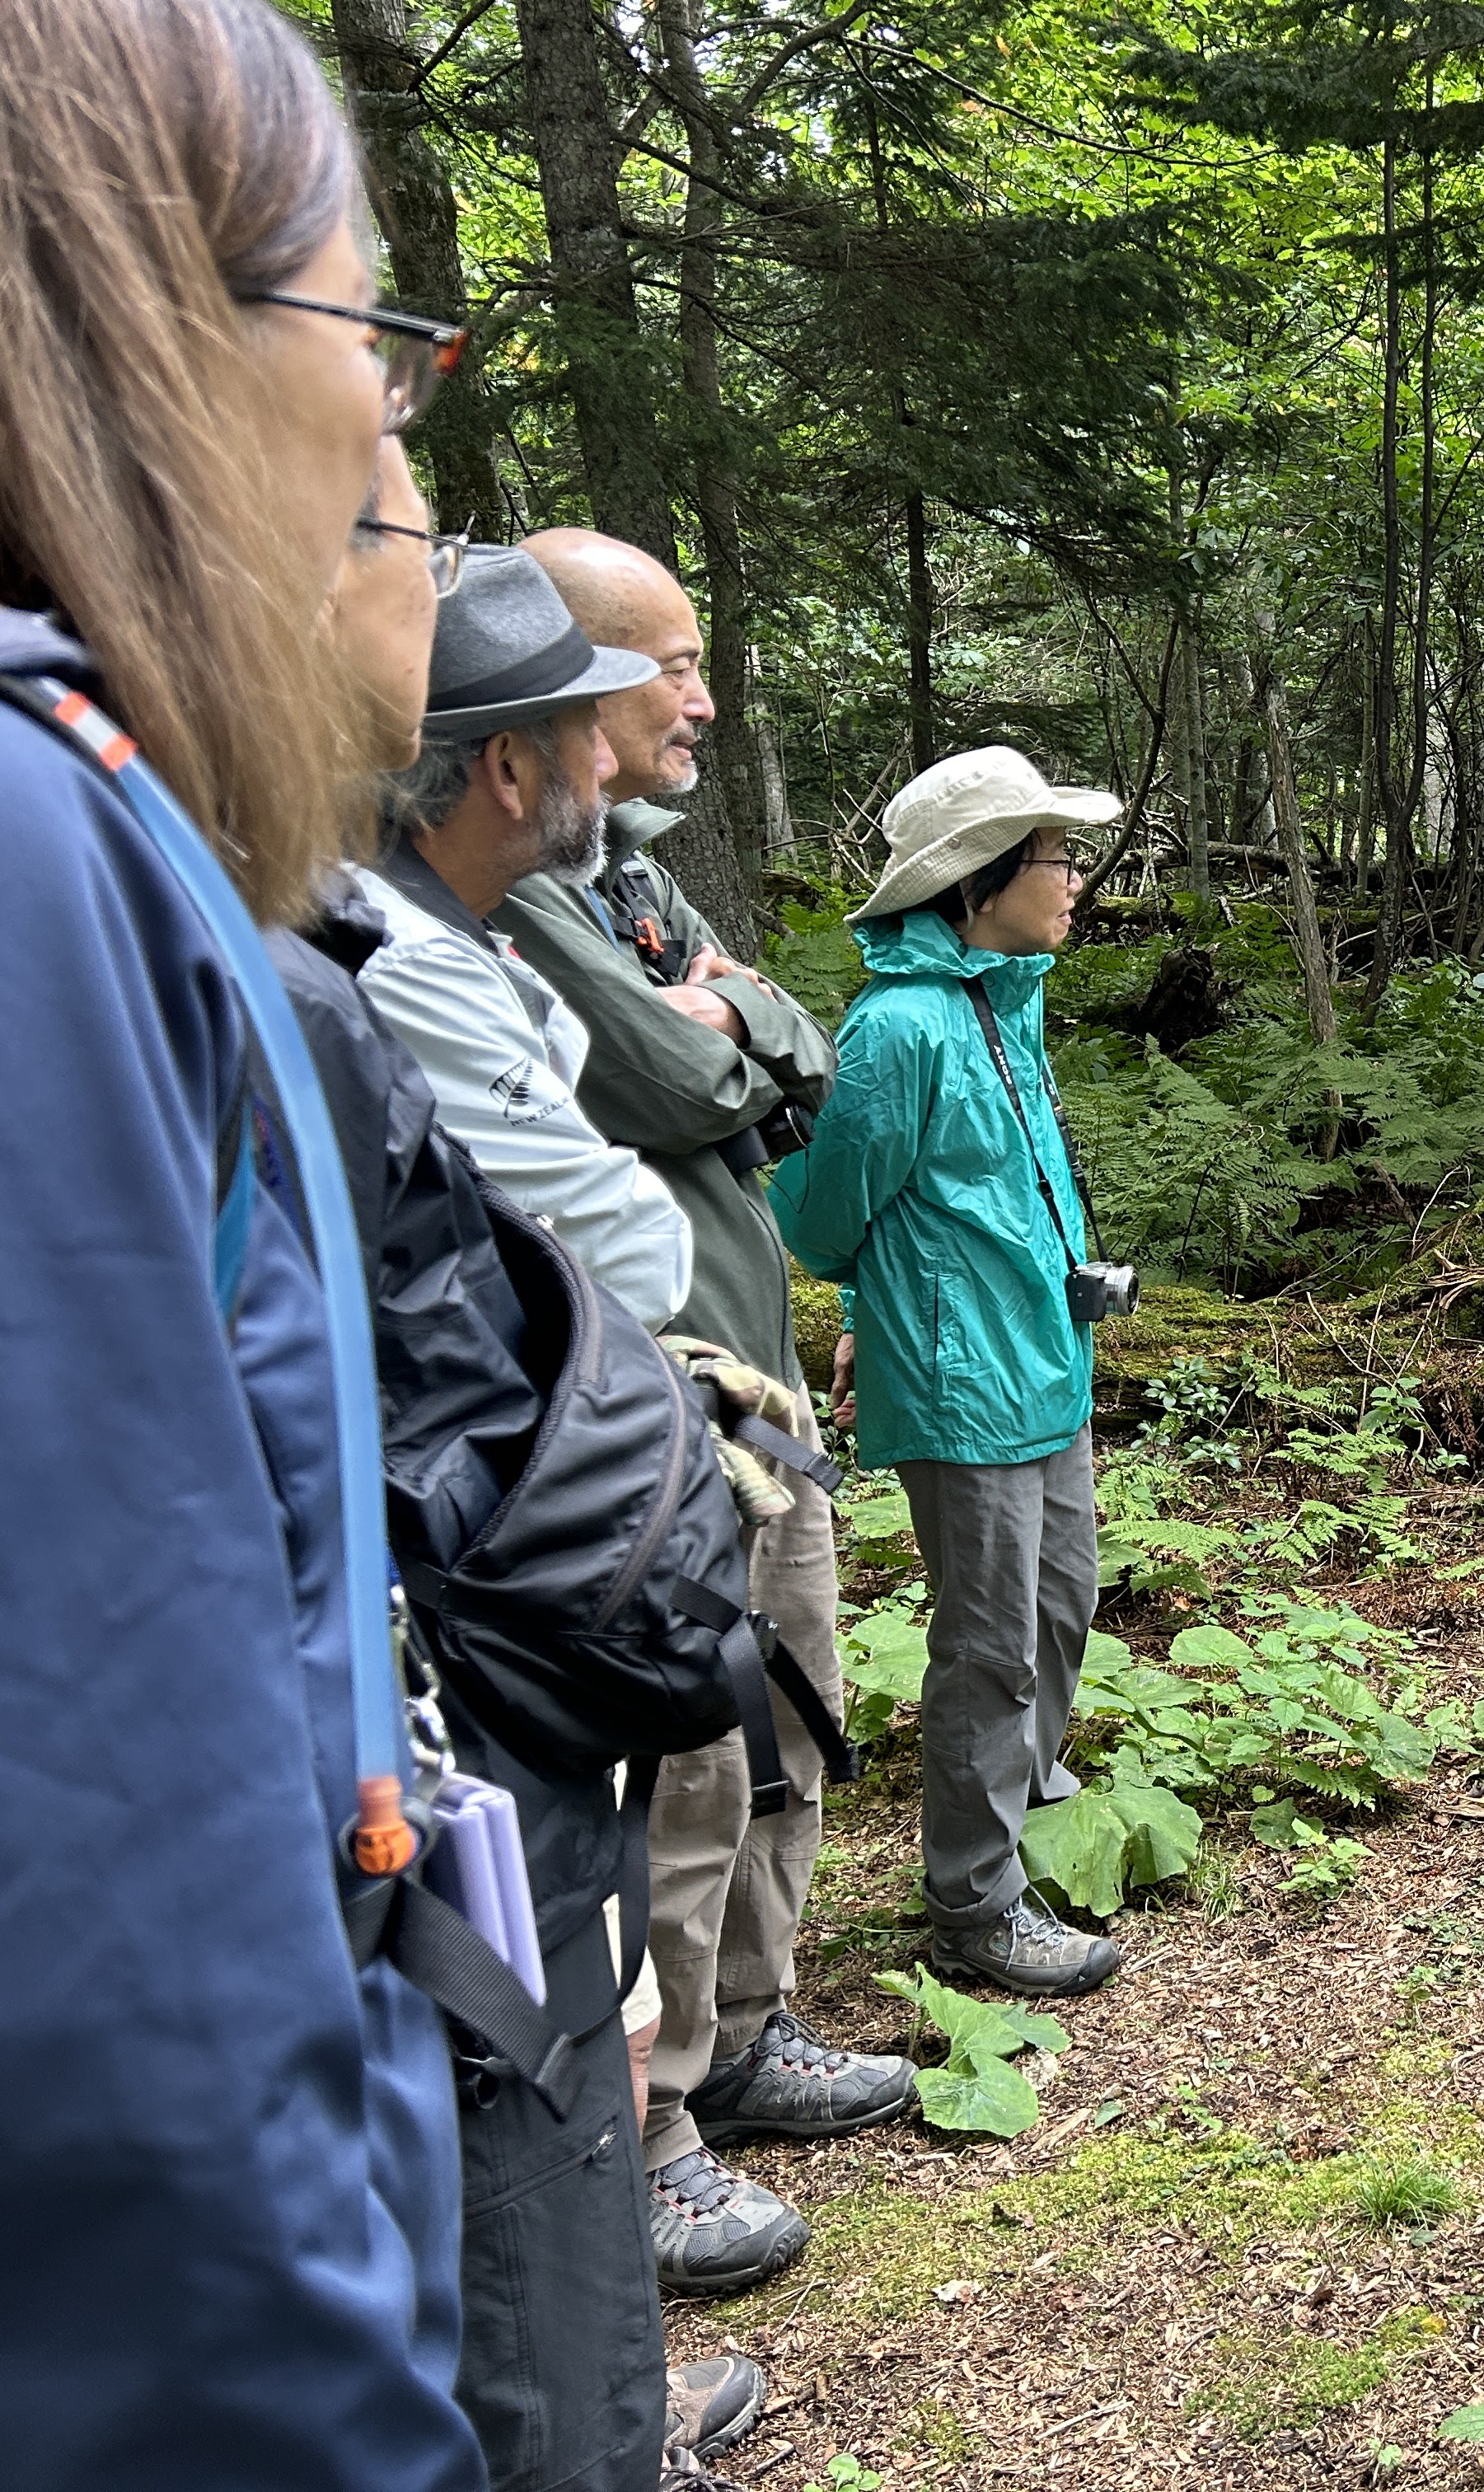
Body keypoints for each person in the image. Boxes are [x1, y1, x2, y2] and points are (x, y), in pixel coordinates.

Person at [0, 0, 482, 2478]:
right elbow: (117, 1943)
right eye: (373, 335)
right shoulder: (37, 860)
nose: (400, 425)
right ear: (135, 326)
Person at [287, 447, 769, 2487]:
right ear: (497, 762)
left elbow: (747, 1077)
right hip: (460, 1643)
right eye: (600, 705)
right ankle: (579, 2426)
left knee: (565, 2002)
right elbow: (632, 1216)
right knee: (527, 2031)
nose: (649, 731)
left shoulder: (418, 937)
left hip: (486, 1609)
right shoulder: (355, 968)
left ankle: (601, 2408)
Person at [493, 527, 915, 2302]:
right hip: (631, 1404)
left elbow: (783, 1051)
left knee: (788, 1723)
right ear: (566, 686)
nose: (704, 697)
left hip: (752, 1380)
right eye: (669, 665)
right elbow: (673, 1074)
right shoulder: (510, 879)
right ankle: (654, 2123)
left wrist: (723, 1015)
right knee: (669, 1770)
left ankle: (750, 2030)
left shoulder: (636, 878)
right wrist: (713, 1033)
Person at [773, 747, 1129, 1997]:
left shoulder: (1005, 1000)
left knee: (1062, 1602)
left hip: (1046, 1365)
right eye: (1053, 856)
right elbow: (817, 1221)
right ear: (981, 880)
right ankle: (976, 1909)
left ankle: (1021, 1815)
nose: (1076, 877)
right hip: (960, 1380)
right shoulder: (900, 1028)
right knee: (988, 1648)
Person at [361, 544, 693, 1330]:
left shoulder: (434, 927)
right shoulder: (408, 962)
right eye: (589, 731)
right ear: (508, 767)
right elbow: (636, 1257)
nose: (607, 763)